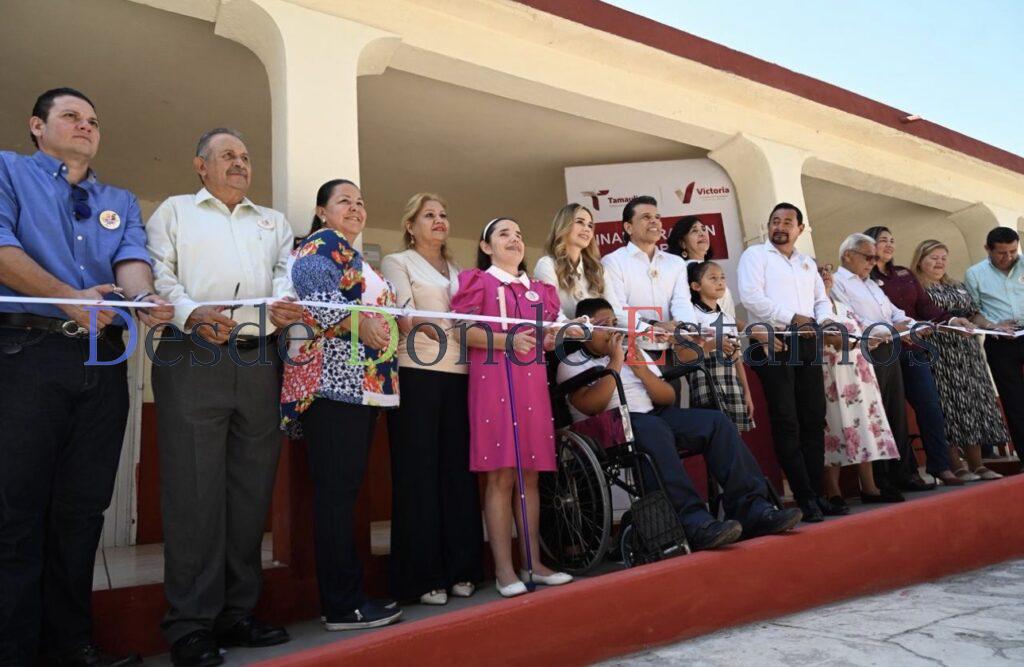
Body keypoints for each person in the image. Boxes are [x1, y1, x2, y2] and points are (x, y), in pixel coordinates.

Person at [0, 87, 173, 667]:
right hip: (26, 355)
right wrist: (68, 297)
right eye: (71, 116)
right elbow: (1, 247)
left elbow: (130, 258)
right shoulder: (6, 171)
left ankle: (70, 646)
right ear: (36, 125)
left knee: (81, 512)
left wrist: (145, 297)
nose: (85, 126)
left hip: (102, 364)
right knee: (14, 511)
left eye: (93, 120)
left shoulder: (118, 198)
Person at [147, 128, 302, 666]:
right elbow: (157, 274)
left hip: (260, 358)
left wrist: (285, 302)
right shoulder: (174, 211)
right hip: (192, 354)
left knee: (249, 492)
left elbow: (288, 272)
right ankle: (190, 624)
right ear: (200, 166)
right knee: (194, 492)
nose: (239, 163)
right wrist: (192, 314)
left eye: (245, 155)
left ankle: (237, 613)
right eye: (227, 156)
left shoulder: (273, 221)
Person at [557, 298, 802, 546]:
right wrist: (616, 361)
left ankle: (754, 510)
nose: (613, 330)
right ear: (583, 331)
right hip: (613, 426)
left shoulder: (636, 352)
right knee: (653, 430)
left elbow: (668, 396)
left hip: (654, 417)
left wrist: (639, 369)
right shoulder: (572, 363)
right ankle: (694, 522)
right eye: (603, 325)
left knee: (715, 423)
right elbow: (591, 406)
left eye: (614, 323)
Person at [280, 179, 403, 630]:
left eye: (360, 201)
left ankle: (349, 598)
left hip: (361, 387)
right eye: (344, 201)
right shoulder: (319, 247)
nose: (355, 207)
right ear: (321, 211)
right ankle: (341, 605)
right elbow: (317, 298)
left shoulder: (353, 255)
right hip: (332, 386)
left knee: (344, 494)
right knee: (335, 497)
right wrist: (362, 323)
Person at [449, 217, 572, 598]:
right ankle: (504, 569)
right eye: (504, 234)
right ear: (486, 247)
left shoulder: (539, 290)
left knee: (530, 475)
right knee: (500, 475)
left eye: (519, 234)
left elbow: (548, 333)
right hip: (492, 382)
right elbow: (461, 330)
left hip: (531, 383)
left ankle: (532, 562)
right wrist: (506, 341)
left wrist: (553, 337)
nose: (514, 240)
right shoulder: (477, 282)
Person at [380, 193, 483, 606]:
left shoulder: (460, 270)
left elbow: (474, 322)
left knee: (457, 475)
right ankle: (423, 578)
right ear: (410, 224)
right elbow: (405, 319)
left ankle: (463, 569)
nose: (439, 220)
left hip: (461, 379)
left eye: (443, 214)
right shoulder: (396, 262)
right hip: (416, 375)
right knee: (418, 476)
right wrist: (453, 329)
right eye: (429, 215)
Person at [736, 202, 843, 522]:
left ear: (800, 229)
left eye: (787, 222)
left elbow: (821, 301)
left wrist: (822, 322)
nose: (780, 226)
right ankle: (804, 496)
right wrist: (793, 318)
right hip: (774, 343)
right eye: (775, 221)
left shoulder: (807, 264)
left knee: (813, 418)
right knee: (787, 420)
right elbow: (750, 297)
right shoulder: (754, 256)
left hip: (808, 342)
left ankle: (818, 492)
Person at [831, 233, 953, 491]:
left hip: (890, 347)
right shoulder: (838, 283)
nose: (873, 262)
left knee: (895, 412)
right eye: (868, 256)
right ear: (847, 255)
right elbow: (853, 319)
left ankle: (903, 473)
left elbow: (896, 312)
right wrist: (892, 327)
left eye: (875, 257)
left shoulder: (872, 284)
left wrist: (914, 325)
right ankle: (881, 479)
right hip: (866, 351)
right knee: (876, 415)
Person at [863, 226, 973, 486]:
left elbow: (925, 306)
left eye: (892, 240)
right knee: (894, 412)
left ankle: (940, 466)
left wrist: (952, 318)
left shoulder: (904, 274)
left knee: (930, 404)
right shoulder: (864, 278)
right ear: (868, 245)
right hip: (885, 350)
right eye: (882, 241)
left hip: (913, 350)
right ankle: (906, 472)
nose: (889, 245)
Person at [912, 239, 1008, 480]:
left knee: (971, 404)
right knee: (949, 406)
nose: (939, 262)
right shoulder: (916, 287)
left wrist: (991, 325)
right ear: (920, 259)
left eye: (944, 257)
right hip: (939, 352)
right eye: (934, 257)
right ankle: (956, 465)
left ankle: (978, 464)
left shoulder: (956, 285)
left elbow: (973, 312)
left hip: (967, 352)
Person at [816, 264, 902, 505]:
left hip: (859, 374)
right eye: (817, 273)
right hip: (831, 377)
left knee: (864, 424)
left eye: (826, 272)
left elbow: (863, 332)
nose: (824, 277)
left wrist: (871, 340)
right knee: (832, 428)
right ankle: (833, 490)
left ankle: (870, 486)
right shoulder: (809, 310)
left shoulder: (843, 307)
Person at [964, 226, 1024, 463]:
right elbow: (973, 312)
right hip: (1000, 341)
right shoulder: (975, 273)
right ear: (987, 249)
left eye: (1012, 251)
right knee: (1014, 401)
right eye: (1001, 252)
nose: (1008, 257)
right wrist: (992, 326)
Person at [601, 196, 695, 334]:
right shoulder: (613, 261)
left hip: (674, 346)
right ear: (628, 227)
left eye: (657, 217)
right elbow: (618, 309)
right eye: (646, 217)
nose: (654, 221)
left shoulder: (676, 263)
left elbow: (682, 304)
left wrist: (688, 330)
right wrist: (654, 327)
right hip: (633, 348)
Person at [686, 261, 754, 431]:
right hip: (706, 378)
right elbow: (687, 354)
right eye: (713, 278)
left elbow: (736, 357)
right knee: (716, 432)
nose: (720, 282)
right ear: (696, 286)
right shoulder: (691, 314)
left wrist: (747, 392)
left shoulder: (728, 318)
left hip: (731, 379)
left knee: (735, 433)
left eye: (722, 278)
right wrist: (713, 344)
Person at [667, 216, 737, 322]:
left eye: (704, 229)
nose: (702, 234)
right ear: (682, 243)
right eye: (694, 231)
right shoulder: (683, 272)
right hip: (707, 333)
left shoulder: (712, 267)